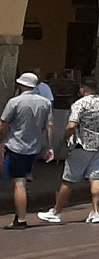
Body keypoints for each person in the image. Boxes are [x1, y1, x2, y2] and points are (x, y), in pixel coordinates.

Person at [38, 77, 99, 225]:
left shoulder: (80, 103)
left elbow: (71, 125)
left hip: (81, 145)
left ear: (83, 89)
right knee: (95, 178)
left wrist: (65, 138)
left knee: (68, 179)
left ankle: (56, 212)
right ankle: (95, 211)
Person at [1, 73, 54, 231]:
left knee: (19, 183)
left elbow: (3, 124)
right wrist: (50, 146)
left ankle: (21, 218)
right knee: (23, 179)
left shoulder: (15, 102)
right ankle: (19, 217)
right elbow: (49, 126)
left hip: (16, 146)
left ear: (22, 86)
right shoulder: (45, 103)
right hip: (34, 147)